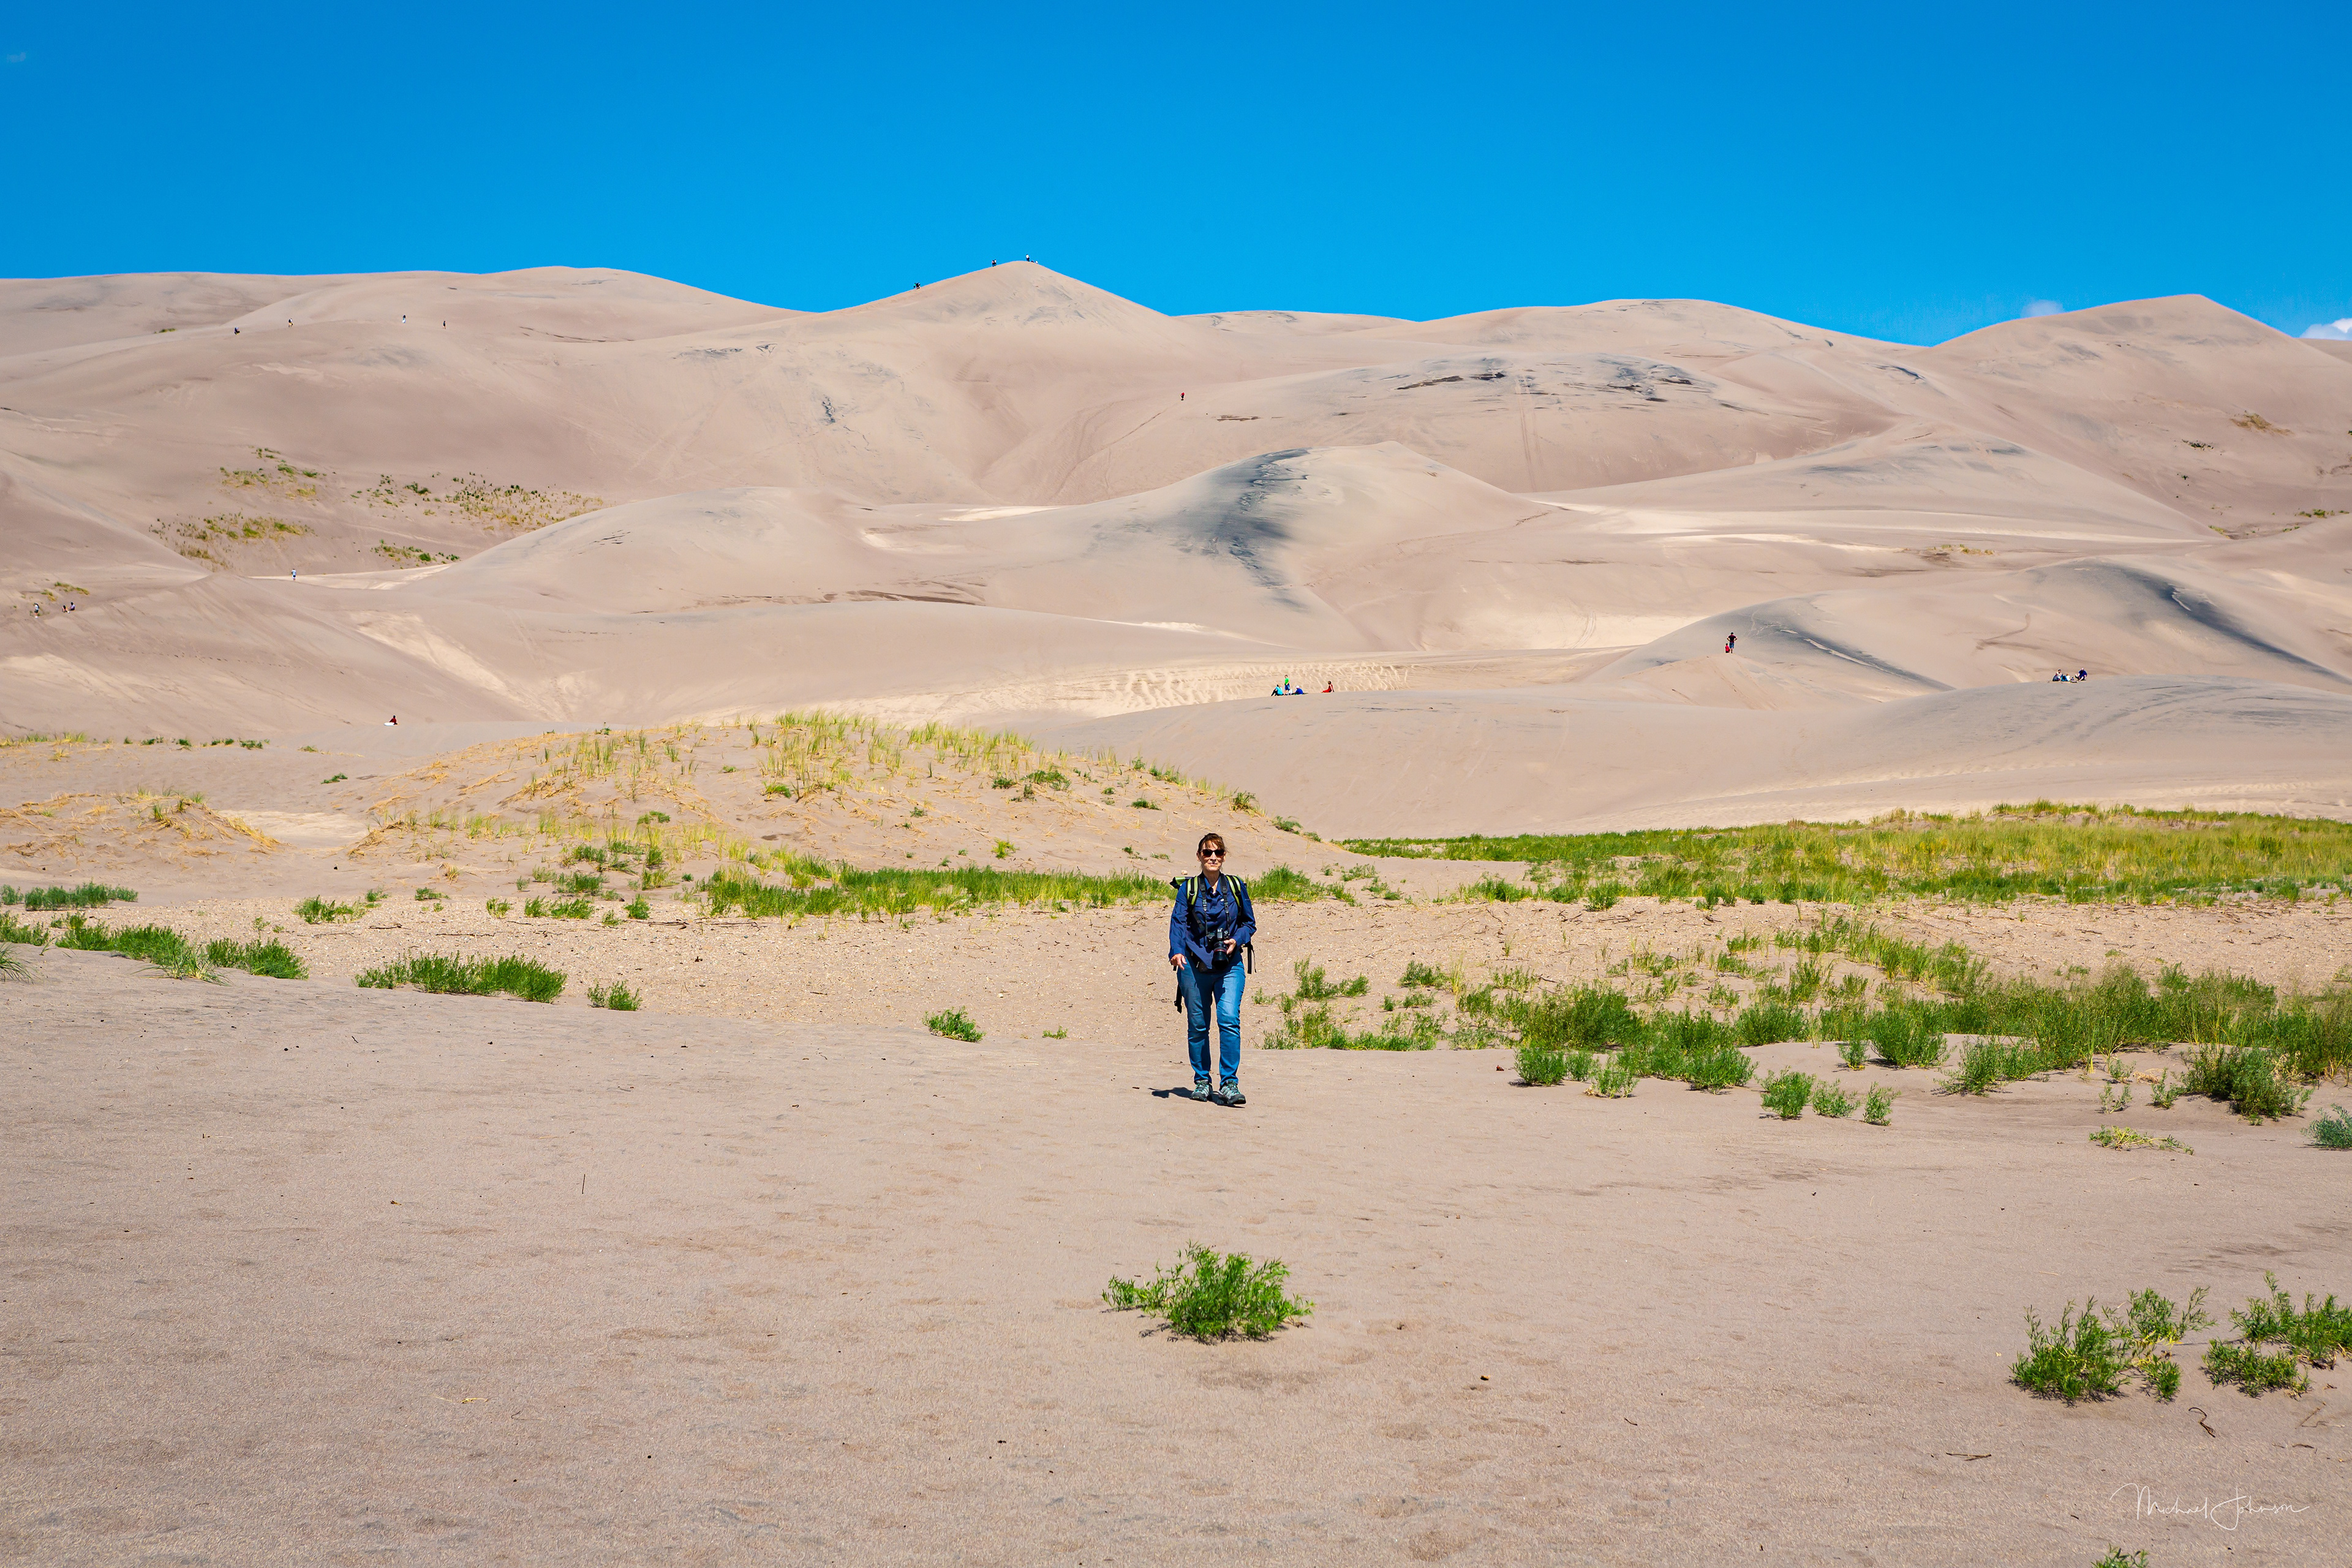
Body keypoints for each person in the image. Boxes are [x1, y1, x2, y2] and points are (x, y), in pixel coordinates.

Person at [1169, 832, 1255, 1106]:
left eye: (1218, 852)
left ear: (1224, 856)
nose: (1213, 857)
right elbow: (1178, 924)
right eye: (1207, 853)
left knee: (1228, 1019)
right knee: (1198, 1025)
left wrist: (1236, 940)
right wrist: (1177, 952)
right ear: (1199, 857)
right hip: (1194, 966)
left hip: (1229, 964)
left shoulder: (1236, 887)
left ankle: (1229, 1084)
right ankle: (1203, 1081)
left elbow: (1249, 924)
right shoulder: (1189, 889)